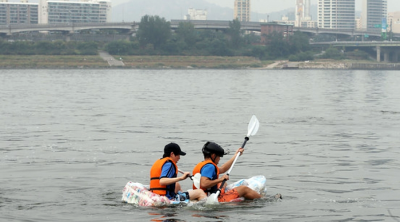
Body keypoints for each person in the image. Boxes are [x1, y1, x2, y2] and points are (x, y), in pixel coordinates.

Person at [192, 141, 262, 202]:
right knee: (243, 189)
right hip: (213, 199)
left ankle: (231, 194)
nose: (219, 159)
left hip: (204, 195)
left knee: (223, 183)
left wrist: (236, 156)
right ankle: (263, 199)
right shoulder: (210, 167)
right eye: (219, 156)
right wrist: (220, 179)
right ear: (213, 156)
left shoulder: (203, 164)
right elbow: (204, 183)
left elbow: (222, 168)